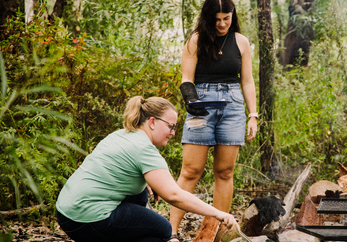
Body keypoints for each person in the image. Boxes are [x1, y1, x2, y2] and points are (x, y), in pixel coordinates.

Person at [55, 96, 239, 242]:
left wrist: (144, 183)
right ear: (152, 122)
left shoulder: (122, 134)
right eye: (171, 126)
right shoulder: (145, 149)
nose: (173, 133)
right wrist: (218, 213)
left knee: (141, 194)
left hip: (66, 212)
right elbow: (174, 195)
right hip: (87, 219)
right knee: (163, 230)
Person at [169, 0, 258, 240]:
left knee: (225, 171)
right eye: (217, 19)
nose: (222, 24)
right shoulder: (196, 39)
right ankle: (171, 232)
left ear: (232, 16)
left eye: (226, 19)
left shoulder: (241, 42)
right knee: (190, 171)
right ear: (209, 17)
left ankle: (217, 233)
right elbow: (186, 79)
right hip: (201, 103)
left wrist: (253, 115)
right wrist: (192, 103)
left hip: (233, 106)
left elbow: (247, 81)